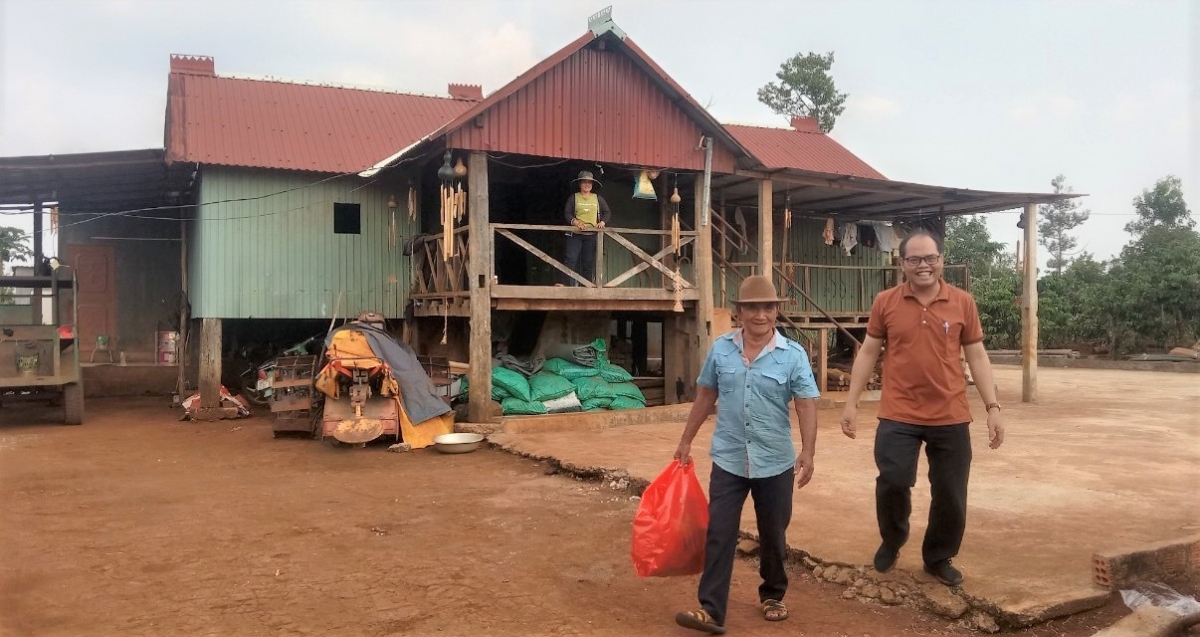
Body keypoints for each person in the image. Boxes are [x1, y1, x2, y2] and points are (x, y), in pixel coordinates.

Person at [839, 229, 1004, 587]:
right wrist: (850, 403)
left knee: (950, 491)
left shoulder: (963, 302)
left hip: (950, 414)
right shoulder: (886, 301)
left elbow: (976, 354)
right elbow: (868, 351)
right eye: (913, 259)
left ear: (941, 260)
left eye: (930, 258)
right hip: (898, 412)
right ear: (902, 264)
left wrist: (992, 406)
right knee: (893, 481)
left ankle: (938, 556)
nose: (923, 265)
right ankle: (893, 538)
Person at [673, 275, 820, 635]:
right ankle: (712, 610)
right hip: (729, 458)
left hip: (774, 461)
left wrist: (809, 452)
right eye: (752, 308)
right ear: (740, 312)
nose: (760, 315)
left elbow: (805, 404)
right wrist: (686, 440)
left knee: (773, 534)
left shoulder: (793, 355)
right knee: (720, 532)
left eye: (768, 307)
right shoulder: (721, 349)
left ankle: (772, 593)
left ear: (776, 313)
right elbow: (706, 396)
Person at [557, 170, 611, 286]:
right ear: (579, 184)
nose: (587, 185)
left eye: (589, 182)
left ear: (592, 184)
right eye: (584, 182)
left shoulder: (597, 199)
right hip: (575, 234)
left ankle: (587, 286)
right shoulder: (574, 198)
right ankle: (565, 284)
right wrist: (575, 222)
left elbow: (607, 212)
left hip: (591, 236)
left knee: (588, 263)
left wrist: (602, 222)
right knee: (570, 259)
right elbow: (567, 213)